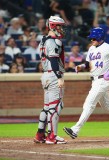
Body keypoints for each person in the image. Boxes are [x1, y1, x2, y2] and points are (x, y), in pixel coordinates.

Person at [33, 16, 67, 144]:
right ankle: (52, 136)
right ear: (53, 26)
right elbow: (53, 59)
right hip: (53, 75)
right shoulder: (52, 41)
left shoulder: (43, 40)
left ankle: (39, 134)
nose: (61, 28)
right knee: (56, 106)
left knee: (47, 107)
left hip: (46, 75)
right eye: (59, 26)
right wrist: (59, 77)